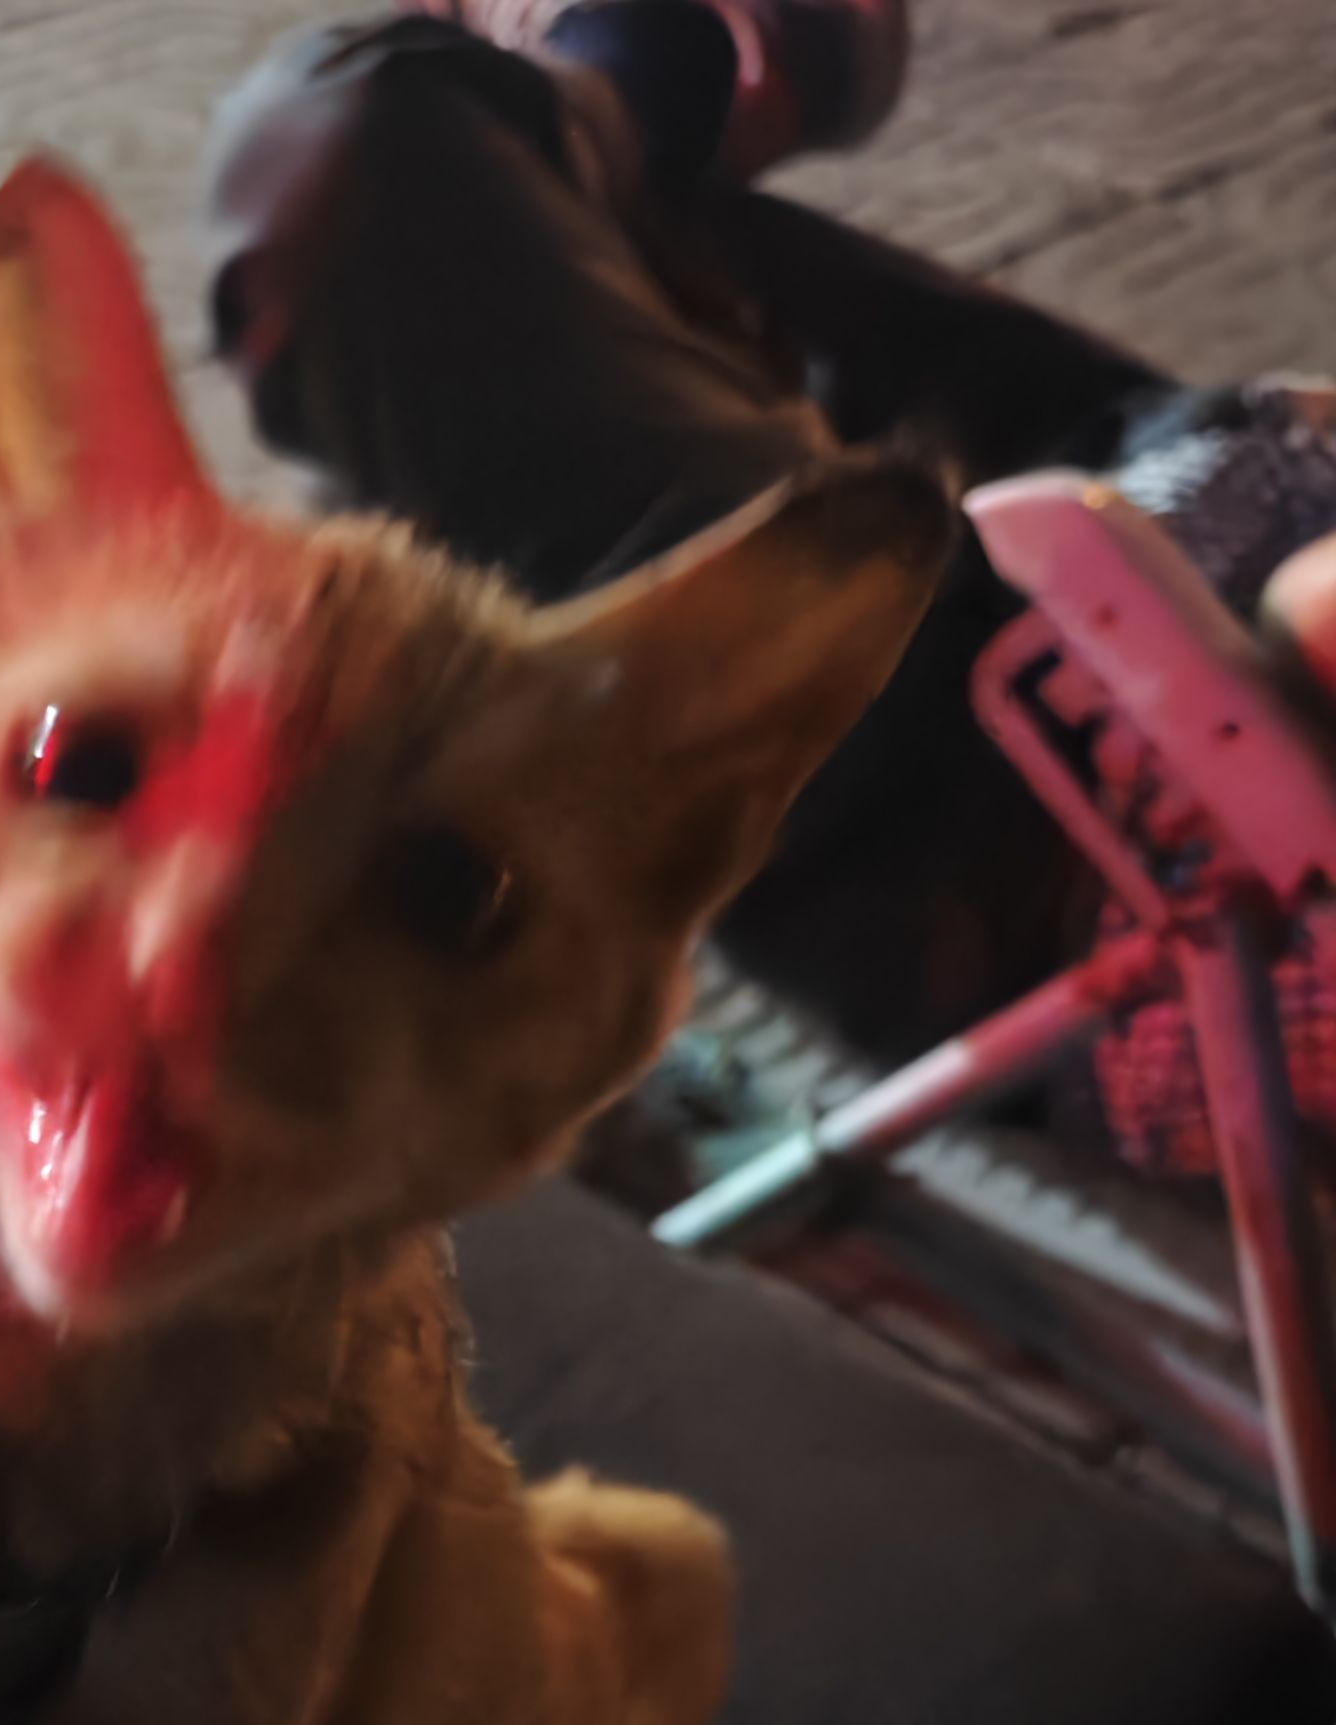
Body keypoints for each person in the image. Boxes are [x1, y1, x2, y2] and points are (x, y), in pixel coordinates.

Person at [197, 0, 1336, 1094]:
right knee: (558, 233)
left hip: (1064, 803)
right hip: (1172, 528)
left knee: (363, 160)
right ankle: (653, 92)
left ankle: (654, 78)